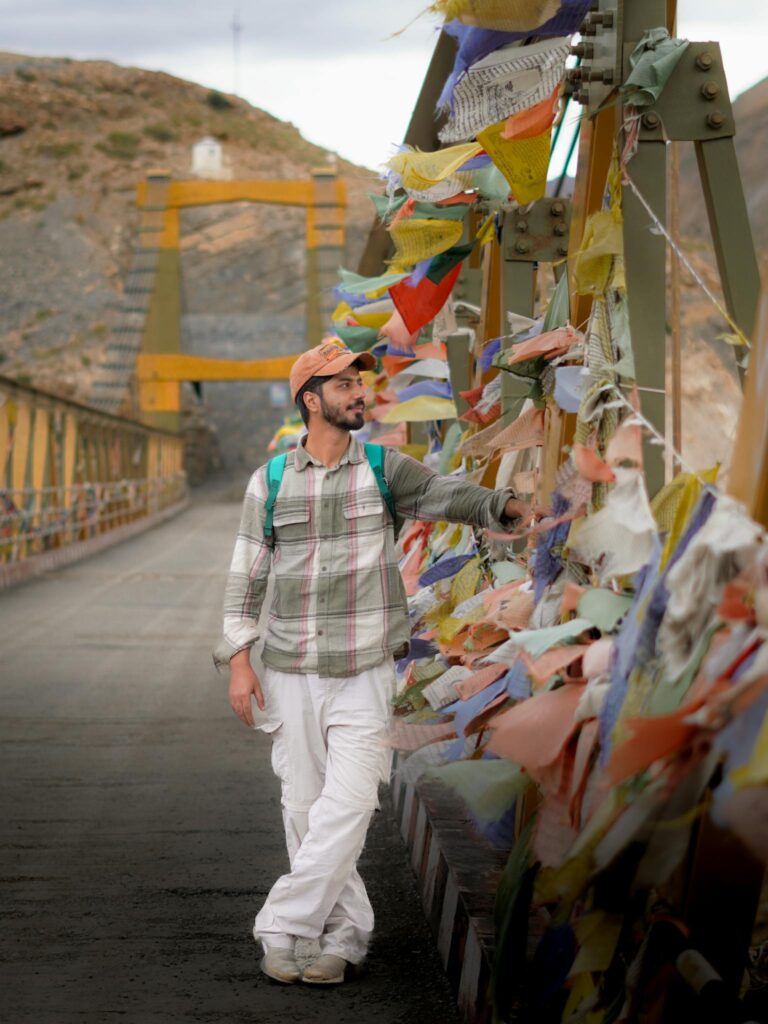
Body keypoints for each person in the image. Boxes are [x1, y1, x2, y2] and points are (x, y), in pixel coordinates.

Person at [213, 338, 529, 986]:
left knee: (350, 805)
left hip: (364, 672)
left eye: (361, 381)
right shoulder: (269, 481)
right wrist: (239, 661)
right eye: (344, 384)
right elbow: (246, 576)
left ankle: (283, 927)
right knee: (303, 806)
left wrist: (507, 507)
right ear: (311, 399)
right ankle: (342, 937)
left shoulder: (386, 469)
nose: (360, 392)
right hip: (290, 670)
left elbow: (450, 496)